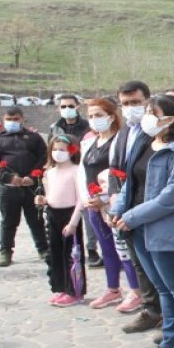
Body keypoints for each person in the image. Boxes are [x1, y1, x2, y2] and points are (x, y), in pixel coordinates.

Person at [110, 95, 174, 348]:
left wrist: (132, 215)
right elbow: (131, 182)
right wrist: (117, 209)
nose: (147, 116)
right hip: (139, 227)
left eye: (153, 112)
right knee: (162, 289)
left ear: (170, 119)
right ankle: (170, 337)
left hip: (166, 228)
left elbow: (171, 197)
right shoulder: (144, 141)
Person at [110, 80, 164, 334]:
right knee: (139, 263)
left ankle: (166, 311)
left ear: (147, 102)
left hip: (147, 207)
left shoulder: (153, 132)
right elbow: (116, 169)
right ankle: (151, 308)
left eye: (136, 103)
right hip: (125, 205)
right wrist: (114, 201)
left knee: (158, 265)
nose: (130, 108)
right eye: (125, 104)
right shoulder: (123, 133)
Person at [80, 98, 142, 312]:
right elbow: (83, 172)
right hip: (93, 203)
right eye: (90, 116)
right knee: (106, 248)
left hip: (112, 202)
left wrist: (106, 198)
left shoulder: (120, 140)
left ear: (111, 116)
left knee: (124, 249)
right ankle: (112, 288)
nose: (94, 120)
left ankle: (136, 290)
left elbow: (120, 176)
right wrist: (87, 199)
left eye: (98, 115)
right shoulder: (90, 142)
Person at [0, 107, 49, 267]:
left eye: (16, 119)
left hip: (31, 187)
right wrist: (8, 177)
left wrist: (33, 176)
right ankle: (5, 251)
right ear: (3, 119)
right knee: (8, 221)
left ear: (22, 119)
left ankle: (43, 249)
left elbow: (43, 159)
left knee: (36, 220)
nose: (12, 122)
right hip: (8, 188)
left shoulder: (34, 137)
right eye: (9, 119)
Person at [49, 94, 102, 267]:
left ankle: (91, 248)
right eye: (63, 106)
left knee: (86, 211)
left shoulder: (87, 127)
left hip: (84, 171)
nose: (67, 110)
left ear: (77, 106)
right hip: (64, 172)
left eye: (70, 106)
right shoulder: (55, 128)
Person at [35, 134, 86, 307]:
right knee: (55, 254)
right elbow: (50, 194)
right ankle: (60, 287)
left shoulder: (76, 170)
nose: (58, 153)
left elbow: (81, 199)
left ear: (71, 151)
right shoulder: (49, 172)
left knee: (71, 255)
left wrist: (73, 222)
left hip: (69, 215)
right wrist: (43, 200)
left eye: (62, 150)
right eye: (55, 149)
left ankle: (74, 290)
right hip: (52, 214)